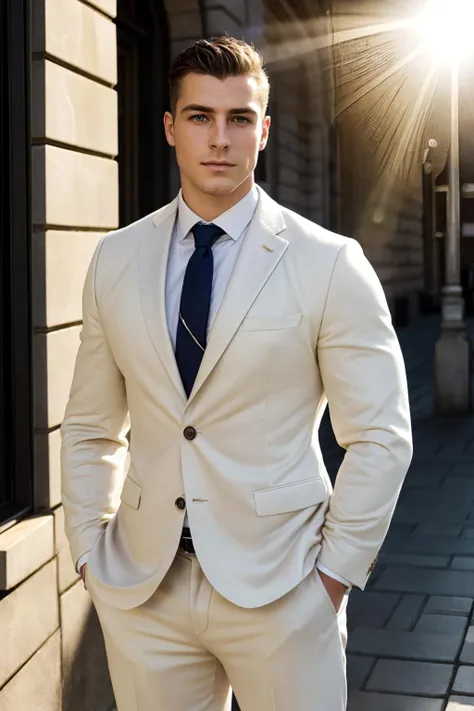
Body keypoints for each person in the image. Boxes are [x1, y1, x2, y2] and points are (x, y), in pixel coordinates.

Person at [61, 36, 412, 711]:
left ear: (264, 130)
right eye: (199, 116)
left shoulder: (330, 263)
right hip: (145, 589)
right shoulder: (115, 259)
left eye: (239, 118)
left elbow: (381, 436)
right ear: (169, 128)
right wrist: (88, 551)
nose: (220, 138)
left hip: (283, 590)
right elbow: (89, 425)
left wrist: (331, 580)